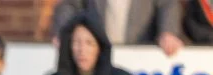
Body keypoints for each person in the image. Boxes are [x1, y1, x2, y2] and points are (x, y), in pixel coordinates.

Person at [49, 0, 185, 57]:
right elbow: (69, 4)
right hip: (98, 59)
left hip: (141, 58)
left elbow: (168, 4)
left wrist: (168, 32)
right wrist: (64, 31)